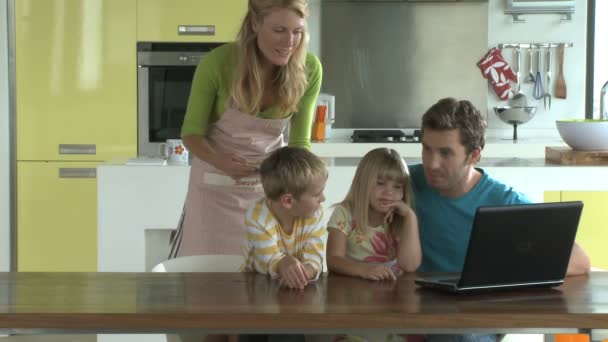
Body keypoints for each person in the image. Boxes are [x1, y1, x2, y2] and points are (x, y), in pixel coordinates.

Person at [410, 97, 591, 342]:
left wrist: (499, 274)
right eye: (426, 149)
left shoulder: (504, 201)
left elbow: (579, 262)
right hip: (415, 309)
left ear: (474, 155)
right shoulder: (405, 182)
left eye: (445, 153)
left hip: (472, 320)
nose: (431, 163)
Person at [170, 0, 322, 258]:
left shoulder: (309, 68)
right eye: (279, 30)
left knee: (265, 279)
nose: (289, 42)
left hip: (269, 192)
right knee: (204, 281)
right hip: (213, 191)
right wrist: (220, 160)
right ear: (255, 23)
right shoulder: (218, 64)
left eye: (297, 31)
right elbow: (191, 133)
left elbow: (299, 145)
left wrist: (307, 188)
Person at [326, 148, 422, 281]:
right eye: (380, 183)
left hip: (392, 293)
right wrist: (364, 270)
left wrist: (410, 217)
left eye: (397, 186)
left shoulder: (402, 218)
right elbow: (333, 259)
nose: (389, 192)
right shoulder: (345, 212)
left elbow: (409, 266)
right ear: (363, 184)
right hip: (352, 288)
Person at [241, 146, 327, 290]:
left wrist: (304, 272)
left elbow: (315, 257)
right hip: (258, 287)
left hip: (297, 287)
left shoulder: (315, 214)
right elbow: (269, 260)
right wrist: (282, 264)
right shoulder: (256, 217)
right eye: (317, 194)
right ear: (288, 201)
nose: (323, 199)